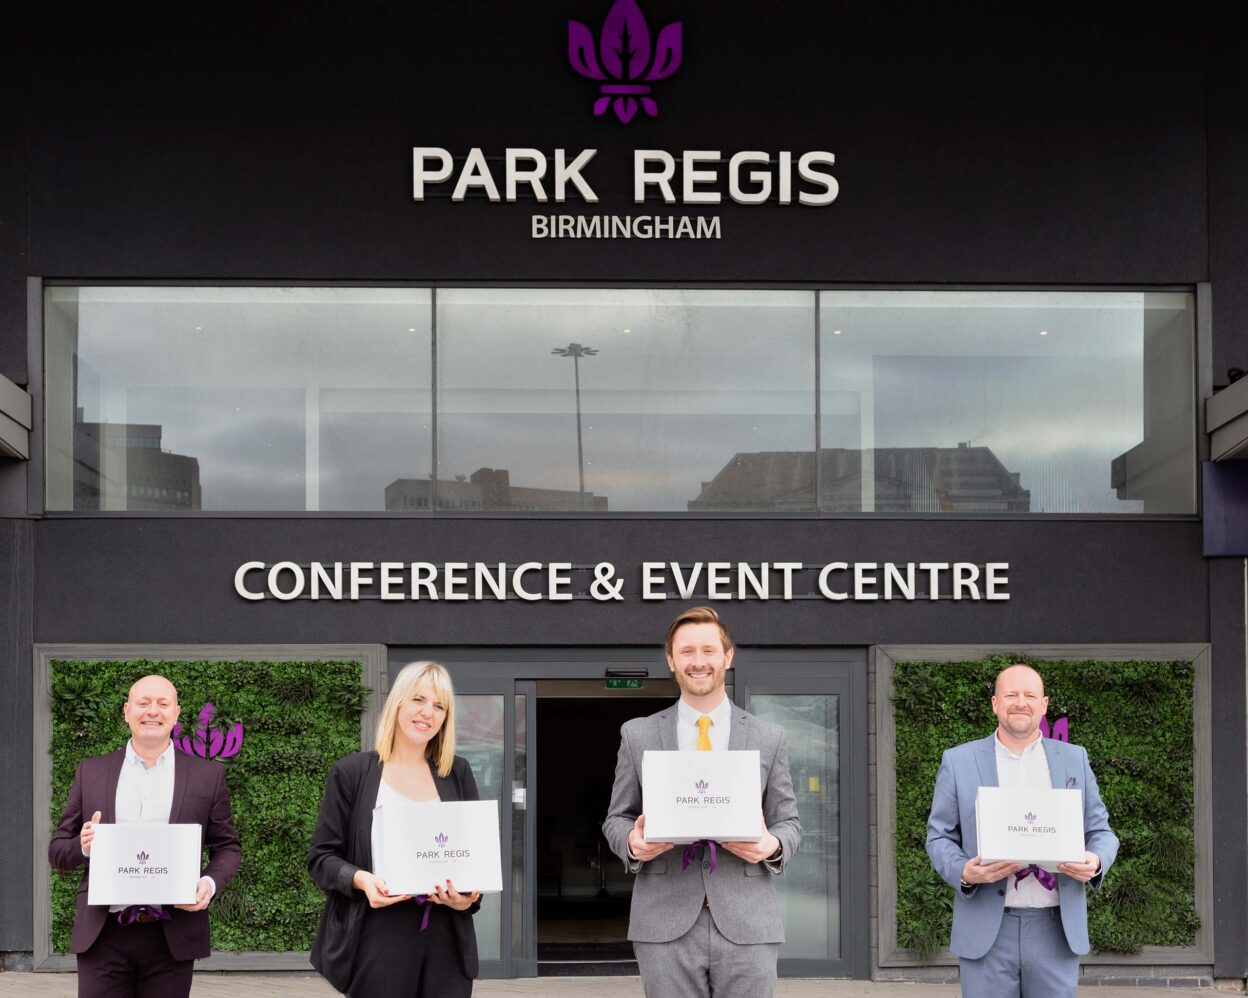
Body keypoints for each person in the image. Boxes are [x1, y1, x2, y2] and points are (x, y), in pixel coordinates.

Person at [602, 606, 802, 998]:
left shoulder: (768, 736)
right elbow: (617, 818)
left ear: (727, 657)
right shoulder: (638, 735)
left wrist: (771, 846)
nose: (698, 662)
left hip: (748, 921)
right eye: (687, 651)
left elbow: (789, 822)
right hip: (663, 921)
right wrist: (631, 842)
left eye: (709, 650)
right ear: (671, 660)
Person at [925, 663, 1120, 998]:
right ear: (995, 703)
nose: (1020, 702)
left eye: (1030, 695)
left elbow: (1101, 831)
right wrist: (964, 872)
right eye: (1011, 694)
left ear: (1043, 705)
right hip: (987, 929)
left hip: (1055, 930)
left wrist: (1096, 860)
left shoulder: (1075, 759)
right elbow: (939, 836)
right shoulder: (959, 761)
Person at [48, 674, 242, 998]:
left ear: (177, 714)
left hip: (172, 934)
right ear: (127, 711)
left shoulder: (207, 776)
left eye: (162, 704)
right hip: (103, 934)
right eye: (143, 703)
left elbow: (228, 847)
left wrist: (207, 885)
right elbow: (58, 850)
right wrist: (83, 848)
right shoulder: (91, 772)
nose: (153, 711)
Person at [308, 660, 482, 997]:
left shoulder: (457, 772)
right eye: (418, 699)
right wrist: (362, 880)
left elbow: (472, 861)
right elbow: (322, 858)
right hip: (376, 936)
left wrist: (466, 901)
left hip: (446, 940)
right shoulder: (352, 773)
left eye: (439, 705)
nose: (427, 713)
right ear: (398, 702)